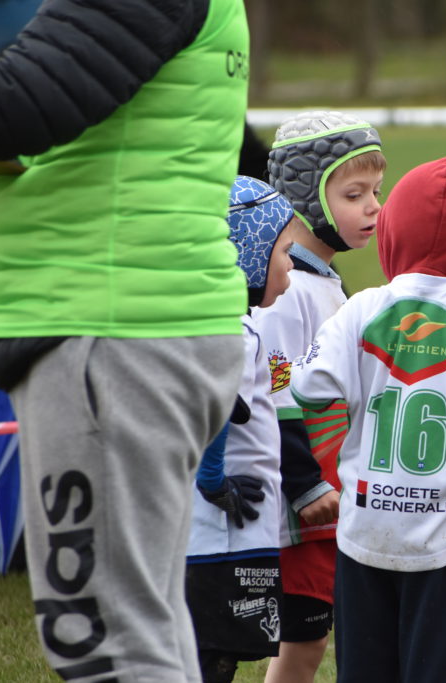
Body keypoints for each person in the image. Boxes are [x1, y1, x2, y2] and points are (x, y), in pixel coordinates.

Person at [0, 1, 250, 679]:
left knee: (99, 639)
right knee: (141, 627)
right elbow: (37, 133)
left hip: (115, 331)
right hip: (126, 329)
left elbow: (17, 102)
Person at [289, 157, 446, 682]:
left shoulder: (360, 310)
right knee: (434, 671)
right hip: (444, 543)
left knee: (362, 671)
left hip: (363, 531)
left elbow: (308, 387)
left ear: (392, 236)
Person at [257, 110, 386, 683]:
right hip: (306, 503)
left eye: (376, 192)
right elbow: (277, 396)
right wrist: (306, 484)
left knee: (314, 635)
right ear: (305, 195)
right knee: (303, 640)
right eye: (354, 193)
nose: (374, 206)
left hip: (334, 497)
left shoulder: (326, 282)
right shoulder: (292, 290)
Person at [186, 176, 303, 683]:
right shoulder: (233, 330)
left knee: (207, 651)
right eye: (284, 252)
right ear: (248, 251)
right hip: (227, 529)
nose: (292, 267)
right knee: (214, 655)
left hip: (215, 528)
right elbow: (218, 405)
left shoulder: (218, 319)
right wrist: (215, 482)